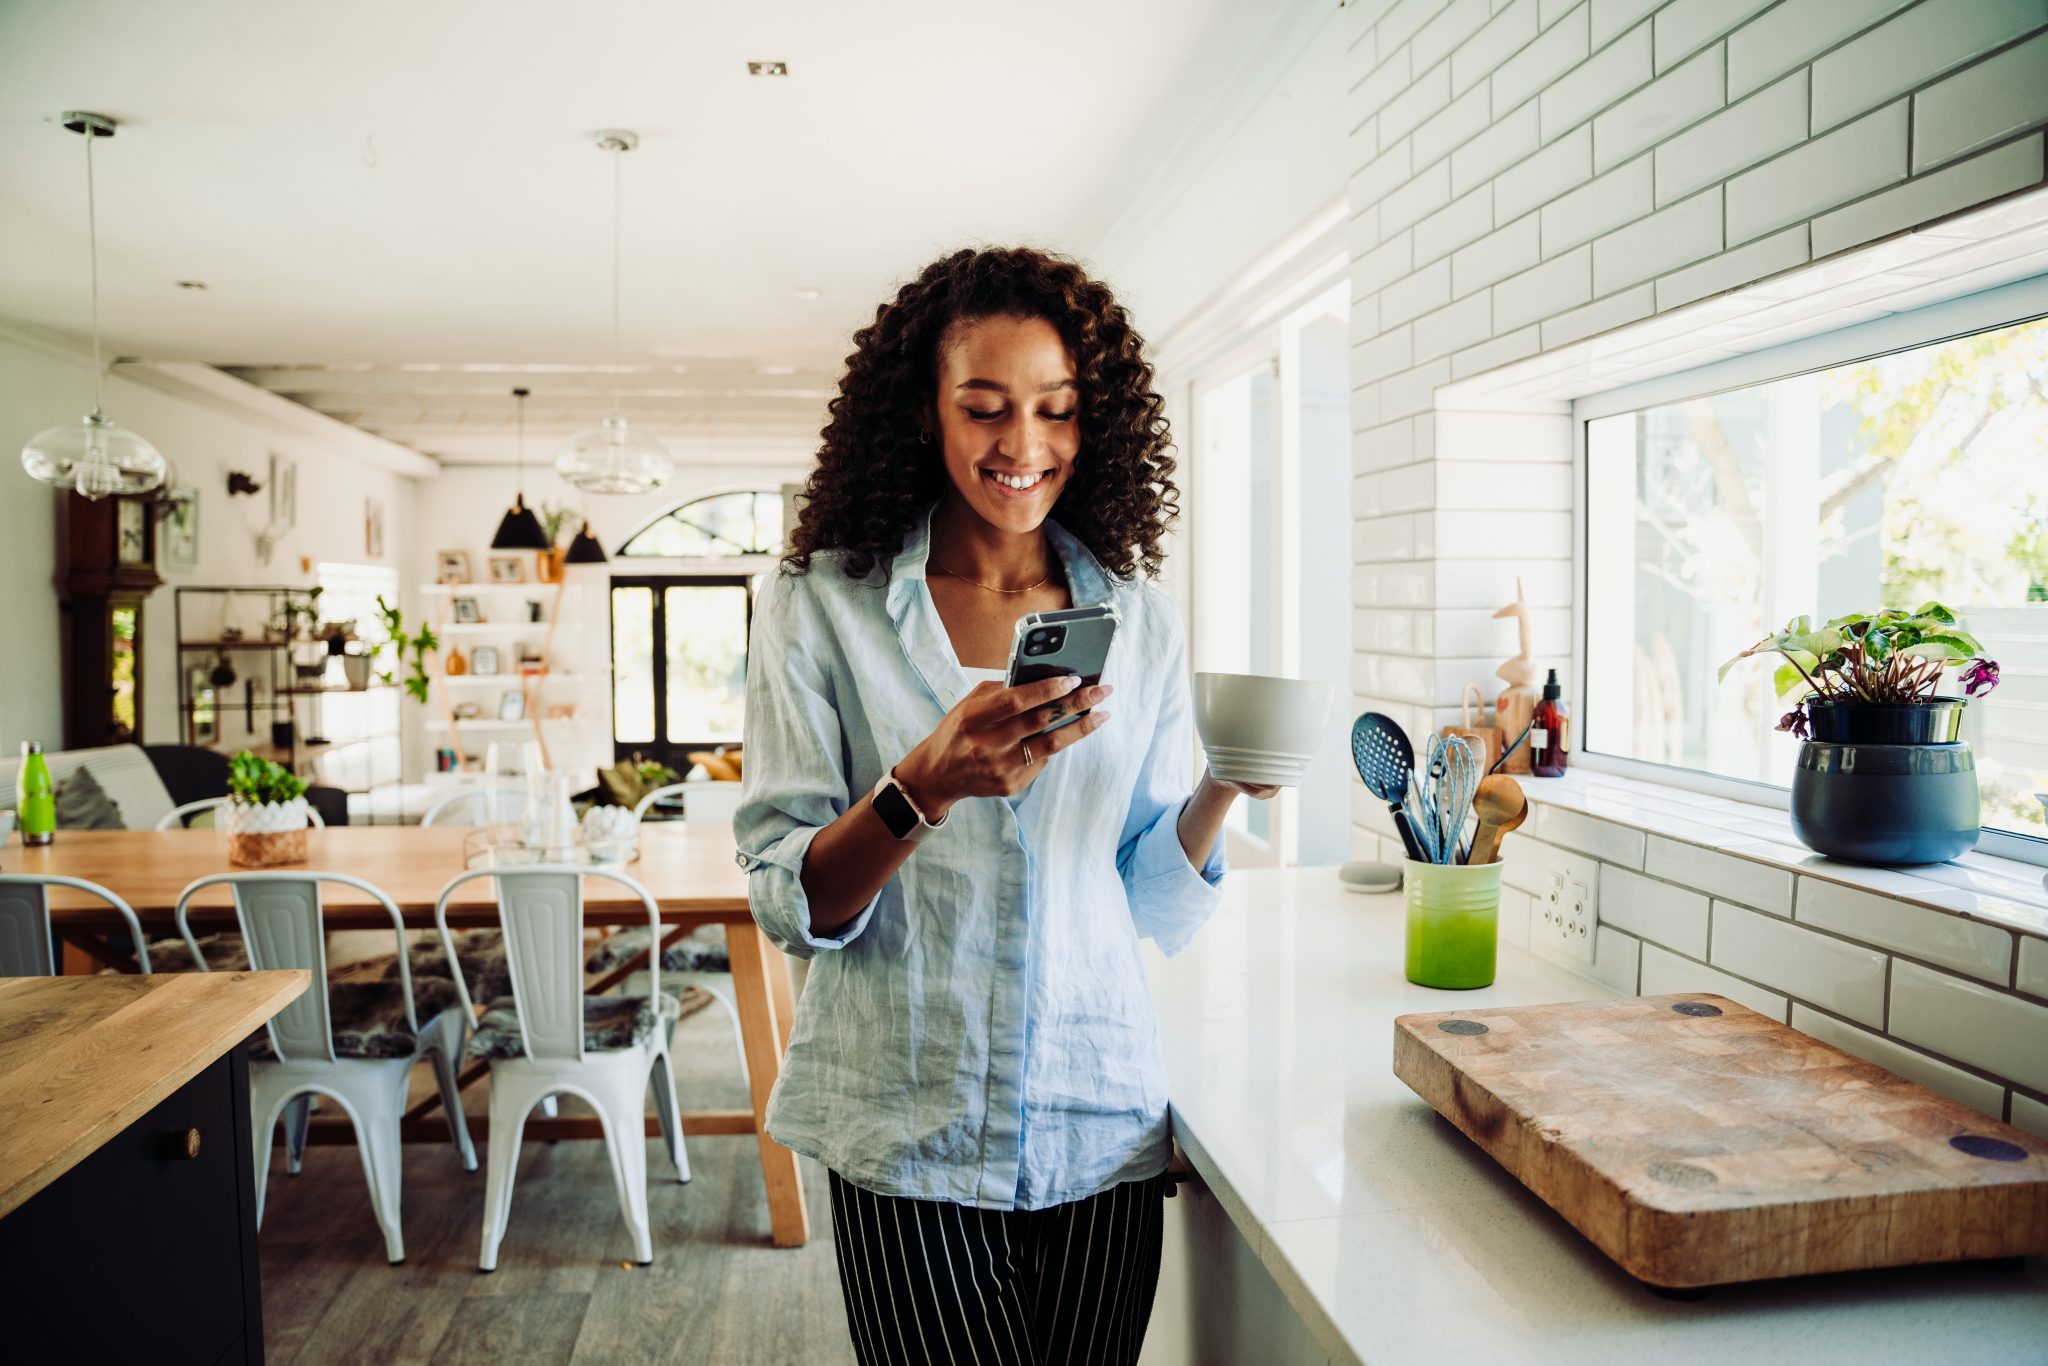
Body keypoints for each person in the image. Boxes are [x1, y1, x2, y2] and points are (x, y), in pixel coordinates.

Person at [735, 246, 1274, 1366]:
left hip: (1098, 1110)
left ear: (1095, 422)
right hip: (902, 1117)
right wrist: (920, 785)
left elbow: (1142, 891)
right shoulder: (820, 606)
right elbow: (791, 898)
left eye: (1056, 410)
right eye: (984, 407)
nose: (1022, 447)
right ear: (923, 413)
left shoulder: (1137, 618)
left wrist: (1225, 782)